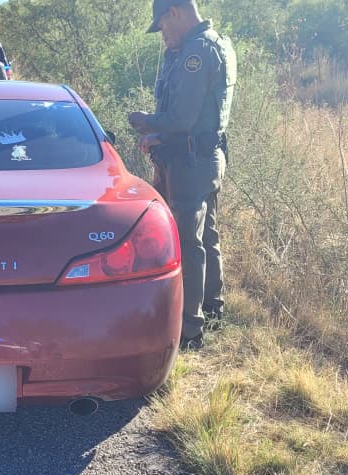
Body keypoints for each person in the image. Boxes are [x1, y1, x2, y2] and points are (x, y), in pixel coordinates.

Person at [127, 0, 235, 350]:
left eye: (162, 26)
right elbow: (199, 117)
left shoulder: (196, 53)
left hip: (192, 163)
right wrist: (159, 136)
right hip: (205, 155)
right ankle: (212, 311)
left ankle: (189, 330)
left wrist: (146, 122)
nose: (162, 34)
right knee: (207, 236)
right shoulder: (214, 43)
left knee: (188, 242)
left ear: (174, 13)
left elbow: (183, 118)